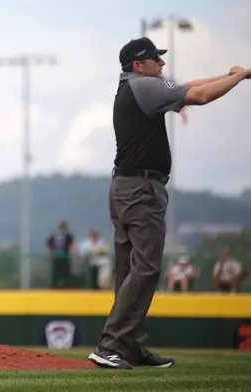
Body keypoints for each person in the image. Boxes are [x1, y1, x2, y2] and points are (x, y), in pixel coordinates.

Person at [88, 36, 250, 370]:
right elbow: (200, 96)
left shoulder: (142, 85)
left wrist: (232, 73)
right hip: (140, 190)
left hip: (126, 187)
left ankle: (128, 346)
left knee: (129, 270)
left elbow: (189, 85)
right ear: (139, 64)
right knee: (146, 267)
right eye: (156, 60)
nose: (162, 64)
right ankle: (113, 344)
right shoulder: (145, 87)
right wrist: (239, 77)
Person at [46, 221, 76, 289]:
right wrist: (49, 255)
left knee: (65, 272)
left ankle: (66, 285)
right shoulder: (54, 235)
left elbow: (71, 245)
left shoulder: (68, 236)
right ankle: (54, 286)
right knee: (55, 272)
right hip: (56, 256)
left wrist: (72, 253)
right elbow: (49, 246)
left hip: (65, 256)